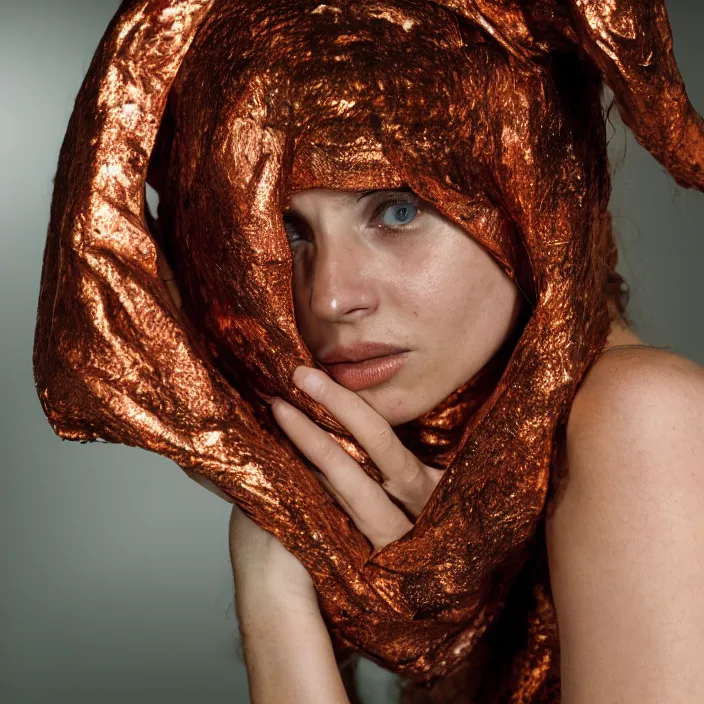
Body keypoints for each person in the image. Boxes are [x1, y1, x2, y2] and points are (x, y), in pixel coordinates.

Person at [33, 1, 704, 702]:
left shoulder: (643, 421)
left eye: (397, 210)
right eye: (287, 229)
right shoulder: (465, 486)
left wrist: (273, 564)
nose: (329, 297)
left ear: (537, 196)